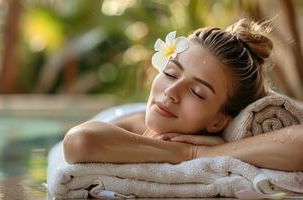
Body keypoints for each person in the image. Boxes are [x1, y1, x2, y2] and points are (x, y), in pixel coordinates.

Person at [63, 19, 303, 171]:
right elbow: (79, 141)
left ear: (218, 121)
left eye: (197, 93)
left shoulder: (232, 142)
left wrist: (200, 153)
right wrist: (186, 152)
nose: (171, 92)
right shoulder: (134, 124)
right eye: (170, 73)